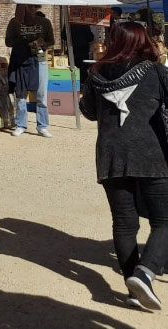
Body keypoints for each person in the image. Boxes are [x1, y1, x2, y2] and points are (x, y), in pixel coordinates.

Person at [79, 21, 168, 311]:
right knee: (165, 221)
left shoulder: (96, 73)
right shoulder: (155, 72)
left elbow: (89, 112)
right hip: (151, 154)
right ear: (144, 41)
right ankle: (145, 273)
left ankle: (133, 285)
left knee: (125, 223)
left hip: (110, 154)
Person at [5, 4, 55, 138]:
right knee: (20, 94)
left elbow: (51, 41)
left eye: (34, 7)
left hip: (39, 59)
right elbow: (8, 42)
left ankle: (43, 126)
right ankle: (20, 124)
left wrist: (42, 44)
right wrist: (23, 41)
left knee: (41, 95)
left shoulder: (44, 22)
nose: (32, 10)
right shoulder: (14, 22)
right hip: (20, 60)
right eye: (29, 7)